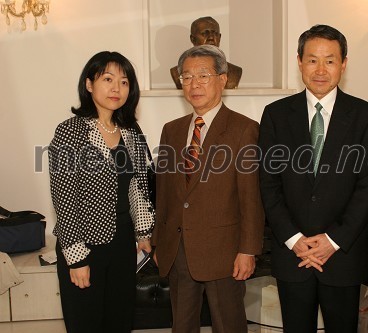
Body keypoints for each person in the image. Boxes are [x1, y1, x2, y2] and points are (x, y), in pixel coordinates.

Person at [258, 24, 368, 333]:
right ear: (299, 61)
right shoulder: (275, 114)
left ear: (343, 63)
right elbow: (268, 184)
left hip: (342, 256)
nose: (321, 69)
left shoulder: (366, 116)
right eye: (312, 59)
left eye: (330, 60)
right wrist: (295, 240)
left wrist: (332, 241)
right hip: (293, 256)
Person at [153, 44, 264, 333]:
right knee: (182, 325)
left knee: (229, 325)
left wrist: (248, 249)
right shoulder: (172, 130)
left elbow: (251, 197)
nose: (194, 84)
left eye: (203, 75)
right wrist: (158, 240)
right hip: (178, 248)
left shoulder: (244, 129)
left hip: (226, 252)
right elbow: (164, 192)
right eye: (186, 77)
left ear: (223, 79)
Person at [48, 51, 155, 333]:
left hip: (122, 245)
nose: (116, 88)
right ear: (88, 84)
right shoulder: (70, 132)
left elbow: (137, 186)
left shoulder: (131, 130)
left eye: (123, 81)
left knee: (120, 322)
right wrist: (77, 259)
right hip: (85, 246)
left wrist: (143, 233)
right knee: (86, 325)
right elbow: (64, 199)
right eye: (107, 79)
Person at [170, 16, 242, 89]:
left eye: (215, 33)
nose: (211, 38)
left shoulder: (235, 71)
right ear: (193, 39)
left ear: (219, 38)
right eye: (205, 33)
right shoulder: (177, 71)